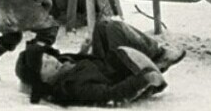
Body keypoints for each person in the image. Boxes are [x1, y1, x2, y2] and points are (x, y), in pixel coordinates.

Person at [14, 18, 186, 106]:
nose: (52, 61)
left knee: (104, 26)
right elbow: (111, 95)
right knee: (121, 46)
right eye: (45, 66)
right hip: (127, 77)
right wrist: (144, 79)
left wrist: (82, 51)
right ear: (43, 81)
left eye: (48, 57)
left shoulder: (62, 64)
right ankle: (158, 60)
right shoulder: (74, 87)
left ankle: (156, 54)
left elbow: (75, 66)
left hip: (105, 65)